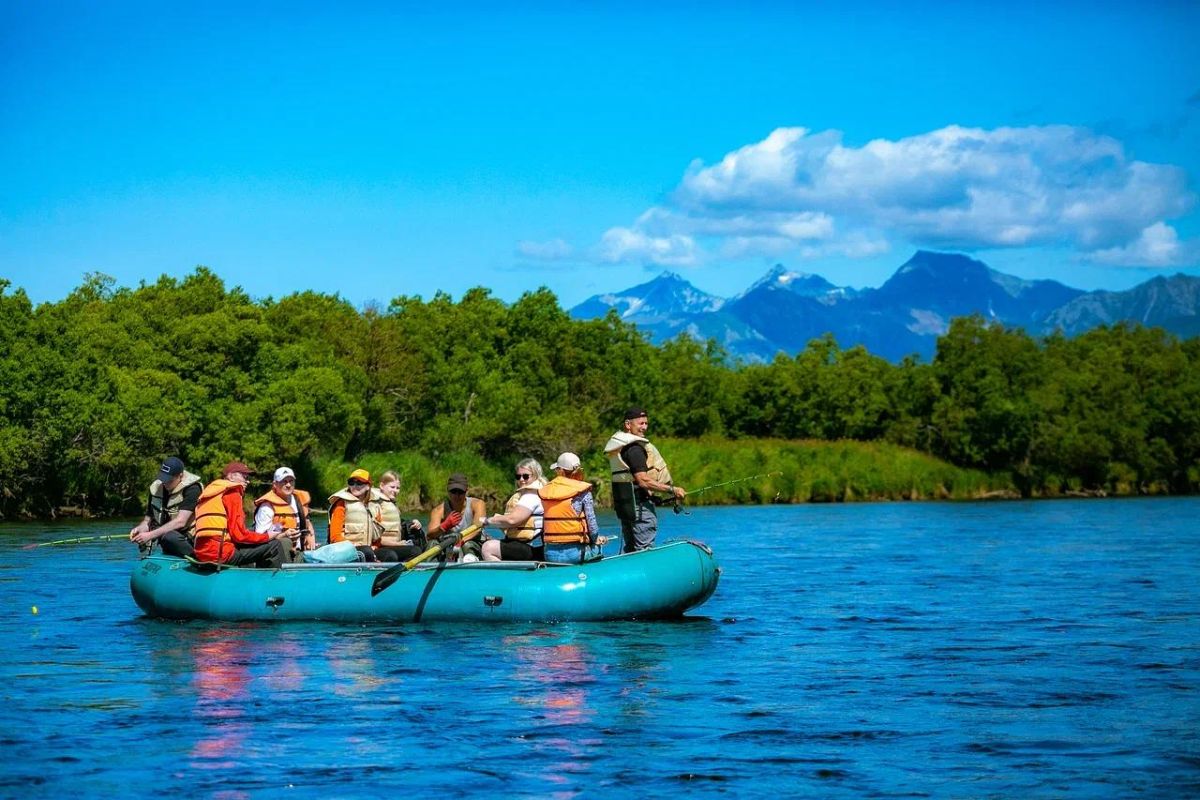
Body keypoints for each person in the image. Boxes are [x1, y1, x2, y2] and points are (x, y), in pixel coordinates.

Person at [604, 406, 686, 553]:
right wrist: (672, 490)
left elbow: (636, 482)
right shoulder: (634, 449)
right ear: (628, 425)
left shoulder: (622, 447)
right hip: (640, 509)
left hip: (628, 507)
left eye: (646, 423)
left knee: (630, 550)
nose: (644, 427)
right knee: (644, 550)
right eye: (640, 423)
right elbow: (643, 480)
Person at [193, 462, 289, 567]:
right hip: (221, 555)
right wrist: (267, 537)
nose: (247, 481)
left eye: (247, 477)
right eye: (244, 476)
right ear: (231, 476)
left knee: (250, 543)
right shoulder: (233, 492)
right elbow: (239, 535)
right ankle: (273, 581)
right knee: (274, 545)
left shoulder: (210, 493)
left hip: (201, 553)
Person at [129, 456, 203, 558]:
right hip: (165, 538)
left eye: (169, 480)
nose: (164, 482)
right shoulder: (157, 489)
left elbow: (181, 521)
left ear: (180, 476)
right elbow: (148, 519)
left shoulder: (193, 490)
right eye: (163, 478)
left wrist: (150, 535)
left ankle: (196, 559)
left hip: (187, 539)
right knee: (165, 536)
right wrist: (142, 527)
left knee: (169, 536)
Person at [540, 452, 606, 564]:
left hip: (550, 554)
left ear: (559, 471)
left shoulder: (546, 491)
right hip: (576, 554)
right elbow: (592, 526)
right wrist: (596, 539)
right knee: (598, 547)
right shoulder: (583, 491)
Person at [480, 458, 546, 562]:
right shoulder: (538, 493)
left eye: (525, 476)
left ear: (535, 475)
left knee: (488, 548)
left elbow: (512, 520)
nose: (521, 479)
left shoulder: (531, 496)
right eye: (518, 476)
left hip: (531, 548)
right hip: (529, 546)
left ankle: (504, 578)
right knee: (493, 541)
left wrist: (488, 521)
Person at [253, 467, 316, 564]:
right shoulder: (266, 507)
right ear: (275, 484)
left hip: (299, 551)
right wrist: (284, 535)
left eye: (291, 481)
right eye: (284, 481)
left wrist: (310, 535)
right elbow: (260, 539)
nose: (288, 485)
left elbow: (307, 521)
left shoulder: (298, 500)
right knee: (285, 542)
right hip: (278, 555)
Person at [428, 472, 487, 562]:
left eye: (460, 492)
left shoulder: (478, 504)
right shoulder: (438, 511)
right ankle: (428, 570)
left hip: (471, 543)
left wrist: (461, 541)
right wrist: (444, 526)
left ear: (466, 491)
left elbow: (477, 528)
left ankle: (471, 567)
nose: (457, 495)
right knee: (432, 544)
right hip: (448, 545)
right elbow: (429, 536)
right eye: (453, 491)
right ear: (448, 491)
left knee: (467, 545)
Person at [370, 470, 427, 562]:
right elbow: (373, 537)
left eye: (397, 488)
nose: (395, 491)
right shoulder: (375, 505)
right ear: (381, 486)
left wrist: (414, 524)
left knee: (417, 549)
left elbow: (398, 524)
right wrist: (398, 544)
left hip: (394, 546)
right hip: (379, 548)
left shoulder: (393, 505)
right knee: (397, 555)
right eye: (392, 487)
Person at [328, 468, 381, 562]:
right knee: (367, 552)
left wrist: (375, 546)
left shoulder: (375, 506)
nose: (355, 486)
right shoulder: (341, 504)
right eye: (351, 482)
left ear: (368, 486)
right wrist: (351, 545)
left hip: (368, 549)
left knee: (390, 555)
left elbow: (378, 534)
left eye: (359, 483)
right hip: (345, 549)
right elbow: (334, 536)